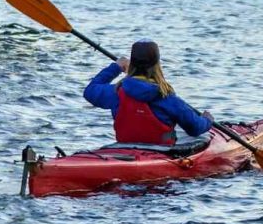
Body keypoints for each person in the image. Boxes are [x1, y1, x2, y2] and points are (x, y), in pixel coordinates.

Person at [84, 40, 214, 149]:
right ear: (157, 65)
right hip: (162, 152)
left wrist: (116, 67)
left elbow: (90, 91)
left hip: (125, 148)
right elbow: (195, 128)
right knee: (202, 136)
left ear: (132, 64)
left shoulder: (117, 92)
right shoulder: (167, 97)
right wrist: (207, 120)